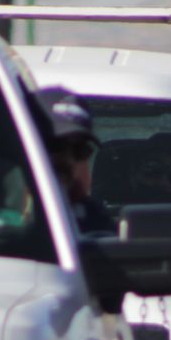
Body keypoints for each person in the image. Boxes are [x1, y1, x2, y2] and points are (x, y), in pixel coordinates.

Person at [37, 86, 114, 235]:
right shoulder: (3, 207)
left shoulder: (93, 219)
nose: (69, 160)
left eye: (80, 149)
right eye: (56, 145)